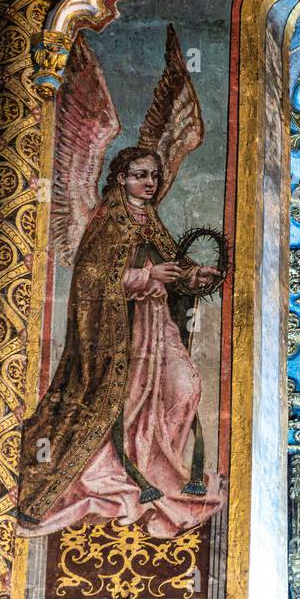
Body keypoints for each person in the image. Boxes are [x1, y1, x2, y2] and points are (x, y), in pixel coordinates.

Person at [17, 147, 223, 539]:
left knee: (186, 386)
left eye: (154, 177)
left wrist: (191, 277)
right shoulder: (108, 221)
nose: (149, 183)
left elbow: (169, 267)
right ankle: (118, 474)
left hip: (158, 327)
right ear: (120, 179)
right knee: (122, 403)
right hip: (119, 337)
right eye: (140, 175)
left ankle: (160, 469)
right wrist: (146, 277)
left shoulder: (150, 220)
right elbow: (93, 281)